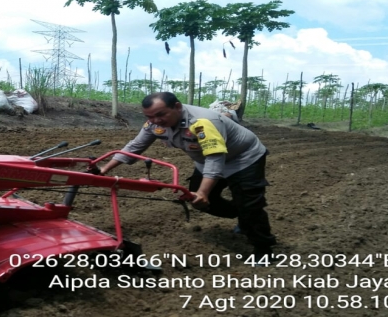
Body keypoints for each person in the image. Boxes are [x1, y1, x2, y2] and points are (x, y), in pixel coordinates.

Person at [99, 92, 277, 262]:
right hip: (205, 160)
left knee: (249, 203)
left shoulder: (203, 122)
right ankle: (244, 217)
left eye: (160, 115)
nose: (155, 121)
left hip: (243, 158)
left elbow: (215, 159)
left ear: (177, 106)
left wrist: (204, 192)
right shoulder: (155, 123)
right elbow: (135, 146)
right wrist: (104, 170)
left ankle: (264, 248)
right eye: (150, 117)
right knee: (198, 199)